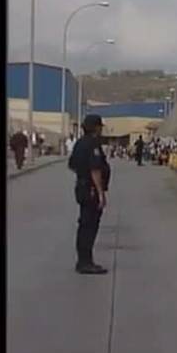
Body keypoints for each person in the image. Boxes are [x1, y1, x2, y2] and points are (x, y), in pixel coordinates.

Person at [68, 115, 111, 275]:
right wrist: (100, 193)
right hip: (91, 190)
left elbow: (72, 165)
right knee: (89, 225)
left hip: (81, 186)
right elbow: (95, 169)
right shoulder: (92, 144)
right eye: (100, 126)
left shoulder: (80, 143)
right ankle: (85, 262)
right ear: (95, 127)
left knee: (84, 224)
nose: (101, 129)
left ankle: (84, 260)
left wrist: (82, 175)